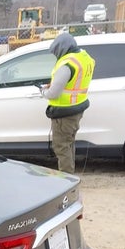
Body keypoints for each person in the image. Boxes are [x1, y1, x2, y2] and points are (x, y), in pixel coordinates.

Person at [38, 32, 95, 174]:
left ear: (62, 48)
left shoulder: (67, 65)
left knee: (61, 147)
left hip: (64, 113)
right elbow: (73, 83)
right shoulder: (83, 57)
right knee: (69, 144)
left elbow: (53, 93)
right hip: (77, 108)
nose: (56, 55)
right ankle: (70, 175)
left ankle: (66, 181)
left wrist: (43, 92)